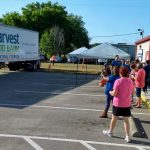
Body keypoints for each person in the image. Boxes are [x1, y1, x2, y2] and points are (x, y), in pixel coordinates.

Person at [103, 67, 134, 143]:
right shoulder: (130, 81)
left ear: (120, 73)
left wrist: (110, 92)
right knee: (126, 120)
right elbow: (133, 92)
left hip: (118, 103)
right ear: (127, 74)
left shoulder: (118, 81)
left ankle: (110, 132)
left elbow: (114, 93)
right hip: (126, 103)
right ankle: (127, 136)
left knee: (114, 118)